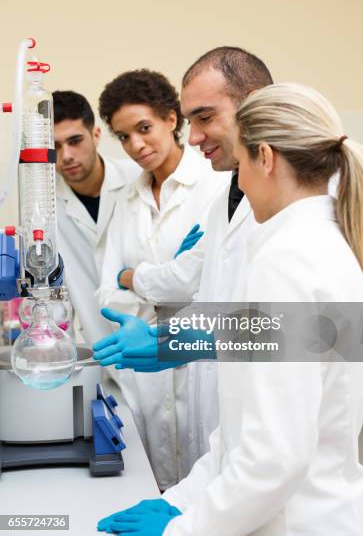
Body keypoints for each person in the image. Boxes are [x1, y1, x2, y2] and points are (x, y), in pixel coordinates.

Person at [97, 83, 363, 535]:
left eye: (243, 164)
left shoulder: (285, 260)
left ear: (264, 158)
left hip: (297, 521)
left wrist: (183, 530)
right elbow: (244, 433)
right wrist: (184, 501)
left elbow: (274, 458)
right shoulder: (321, 243)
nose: (240, 183)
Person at [94, 47, 274, 464]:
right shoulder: (224, 202)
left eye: (205, 118)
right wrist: (176, 334)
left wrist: (140, 285)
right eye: (124, 136)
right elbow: (201, 290)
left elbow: (327, 331)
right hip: (223, 432)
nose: (194, 138)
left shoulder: (297, 206)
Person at [96, 69, 229, 491]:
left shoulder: (215, 184)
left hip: (197, 363)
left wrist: (132, 277)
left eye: (144, 128)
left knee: (208, 479)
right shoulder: (126, 200)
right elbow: (107, 294)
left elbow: (190, 284)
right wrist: (159, 283)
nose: (136, 145)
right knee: (156, 484)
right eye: (123, 137)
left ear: (172, 120)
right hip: (147, 378)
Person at [53, 91, 139, 345]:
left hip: (155, 340)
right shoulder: (45, 207)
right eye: (55, 146)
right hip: (100, 350)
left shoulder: (138, 179)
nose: (66, 155)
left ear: (96, 135)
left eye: (75, 140)